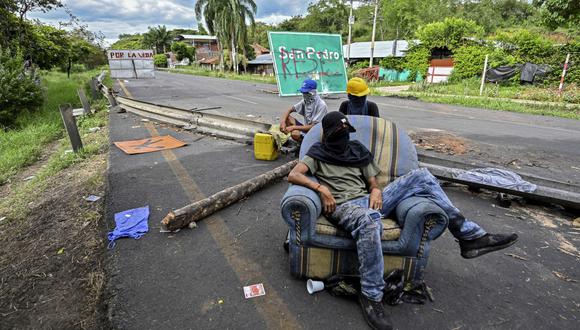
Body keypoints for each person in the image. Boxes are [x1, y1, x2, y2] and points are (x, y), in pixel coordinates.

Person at [287, 111, 518, 330]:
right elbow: (294, 174)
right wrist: (320, 188)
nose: (343, 138)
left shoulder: (356, 149)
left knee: (422, 176)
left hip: (370, 200)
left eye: (346, 133)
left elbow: (372, 181)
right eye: (338, 133)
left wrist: (376, 189)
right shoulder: (316, 153)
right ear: (327, 134)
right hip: (343, 206)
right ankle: (371, 295)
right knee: (369, 222)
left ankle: (469, 236)